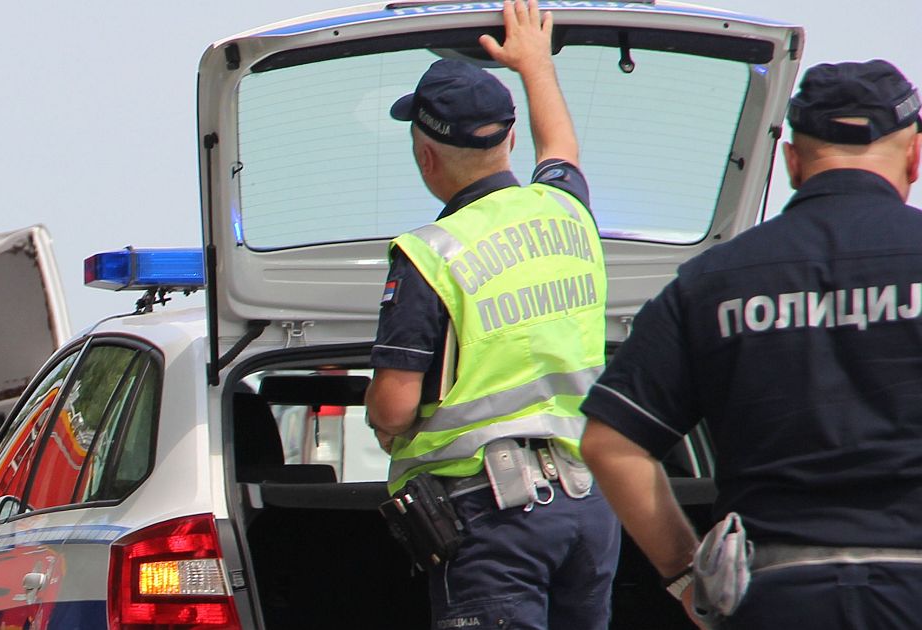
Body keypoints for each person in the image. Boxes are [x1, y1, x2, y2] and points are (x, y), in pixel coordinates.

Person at [579, 58, 922, 629]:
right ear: (914, 155)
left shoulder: (712, 281)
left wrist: (688, 577)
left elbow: (611, 443)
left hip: (776, 598)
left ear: (792, 161)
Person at [364, 1, 620, 628]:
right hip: (590, 509)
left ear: (426, 157)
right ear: (509, 139)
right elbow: (561, 144)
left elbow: (394, 408)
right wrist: (535, 62)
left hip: (494, 520)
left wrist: (385, 427)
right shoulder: (567, 211)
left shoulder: (430, 254)